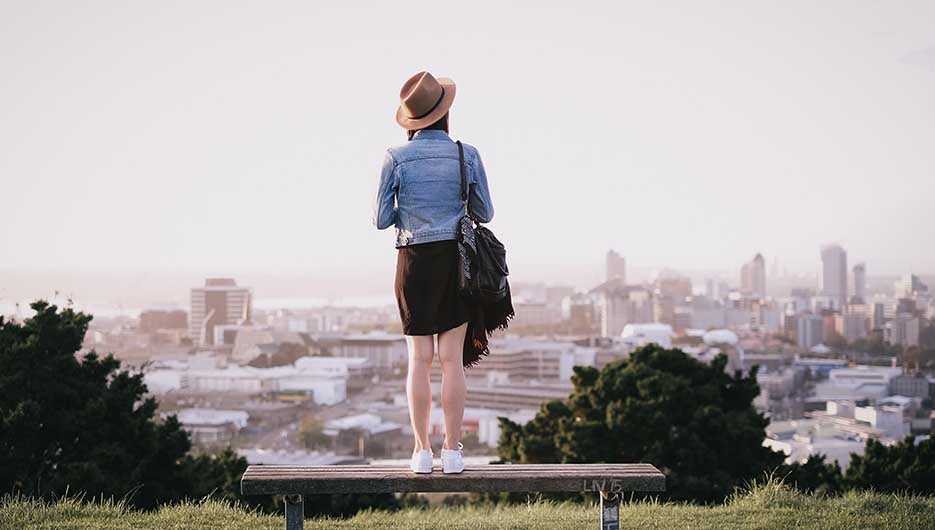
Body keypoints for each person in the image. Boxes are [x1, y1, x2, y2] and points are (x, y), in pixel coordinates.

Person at [373, 71, 494, 474]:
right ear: (445, 113)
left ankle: (422, 452)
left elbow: (381, 219)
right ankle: (454, 452)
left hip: (412, 262)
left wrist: (409, 210)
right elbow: (485, 212)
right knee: (451, 360)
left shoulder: (395, 158)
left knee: (418, 361)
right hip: (453, 262)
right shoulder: (467, 154)